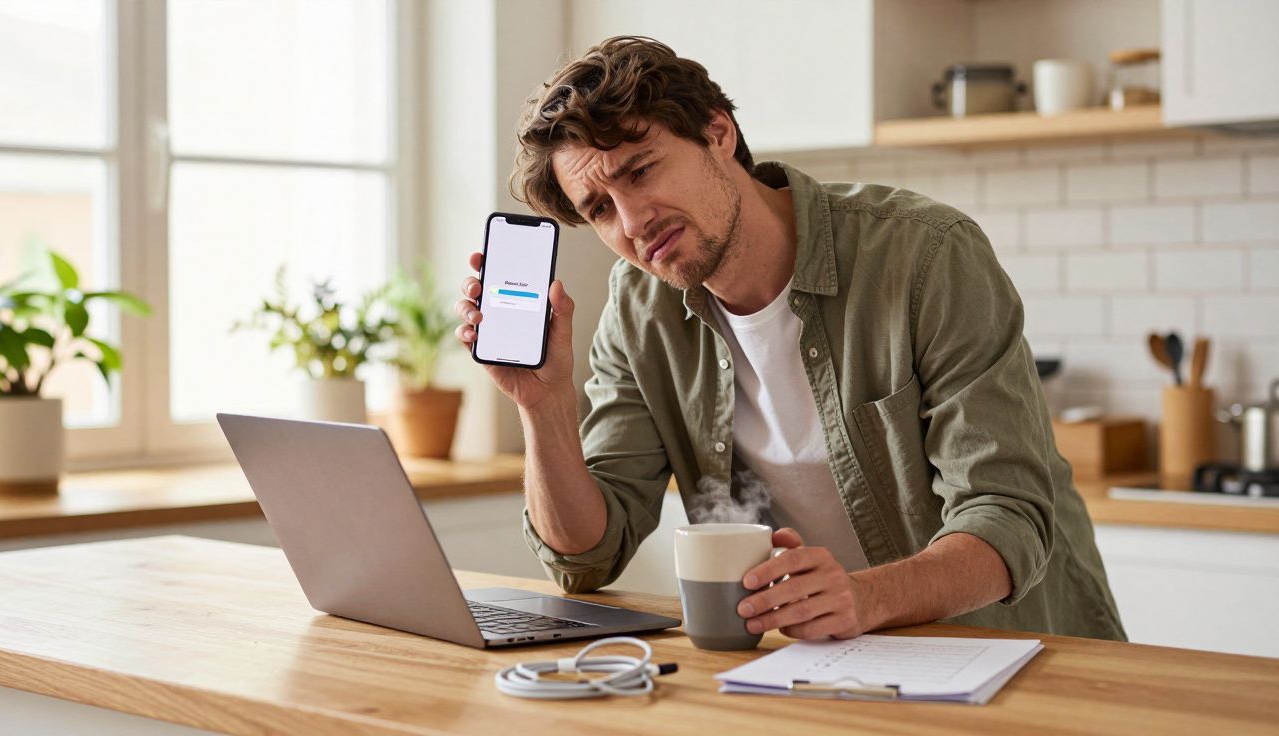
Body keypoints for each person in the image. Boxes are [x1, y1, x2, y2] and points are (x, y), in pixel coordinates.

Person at [453, 36, 1125, 641]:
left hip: (1016, 654)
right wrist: (542, 405)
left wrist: (863, 598)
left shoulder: (925, 257)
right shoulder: (639, 312)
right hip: (817, 665)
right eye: (599, 209)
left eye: (640, 170)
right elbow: (587, 559)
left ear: (718, 132)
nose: (632, 222)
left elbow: (1007, 516)